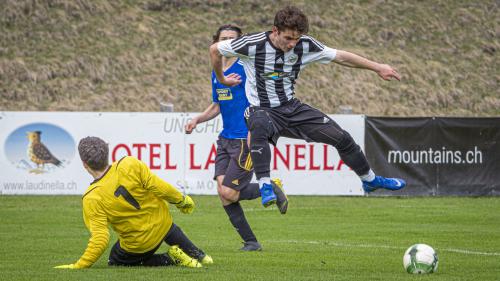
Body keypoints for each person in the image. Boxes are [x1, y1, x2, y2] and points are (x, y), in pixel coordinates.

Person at [209, 6, 406, 201]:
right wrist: (223, 78)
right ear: (275, 31)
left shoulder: (305, 45)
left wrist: (377, 67)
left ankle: (369, 180)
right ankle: (265, 185)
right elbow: (215, 50)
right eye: (288, 38)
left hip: (292, 108)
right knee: (257, 122)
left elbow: (342, 57)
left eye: (297, 38)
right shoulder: (253, 43)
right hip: (262, 109)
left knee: (342, 138)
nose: (293, 44)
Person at [185, 24, 288, 252]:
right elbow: (217, 105)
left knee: (229, 192)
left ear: (239, 43)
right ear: (217, 42)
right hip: (225, 139)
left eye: (232, 39)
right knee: (224, 194)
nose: (228, 42)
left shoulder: (248, 66)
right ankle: (251, 242)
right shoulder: (217, 71)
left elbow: (271, 82)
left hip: (245, 138)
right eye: (224, 38)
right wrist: (197, 120)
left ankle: (269, 188)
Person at [54, 136, 213, 269]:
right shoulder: (128, 163)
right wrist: (181, 200)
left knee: (115, 259)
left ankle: (171, 258)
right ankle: (200, 255)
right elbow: (158, 186)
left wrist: (79, 265)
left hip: (141, 244)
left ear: (84, 164)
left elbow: (101, 238)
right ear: (107, 153)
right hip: (164, 224)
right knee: (164, 223)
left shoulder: (91, 197)